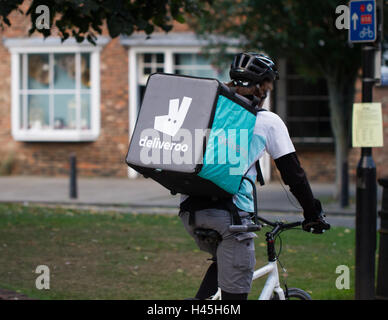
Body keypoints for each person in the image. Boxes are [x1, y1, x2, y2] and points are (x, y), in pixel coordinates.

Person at [179, 52, 330, 300]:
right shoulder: (267, 121)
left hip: (190, 211)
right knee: (235, 296)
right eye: (269, 83)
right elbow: (295, 175)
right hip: (230, 217)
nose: (270, 88)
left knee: (222, 265)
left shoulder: (210, 111)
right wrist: (312, 214)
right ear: (261, 86)